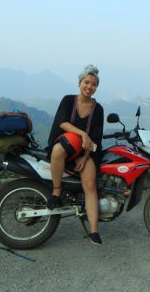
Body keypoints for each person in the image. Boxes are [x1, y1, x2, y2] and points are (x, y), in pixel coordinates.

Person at [46, 64, 104, 245]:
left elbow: (95, 139)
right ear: (80, 83)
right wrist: (82, 133)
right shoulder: (68, 100)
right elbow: (62, 123)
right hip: (65, 145)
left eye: (94, 84)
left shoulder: (98, 109)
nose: (89, 86)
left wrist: (85, 156)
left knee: (90, 185)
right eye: (86, 82)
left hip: (86, 152)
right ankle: (56, 191)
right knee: (57, 150)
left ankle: (94, 230)